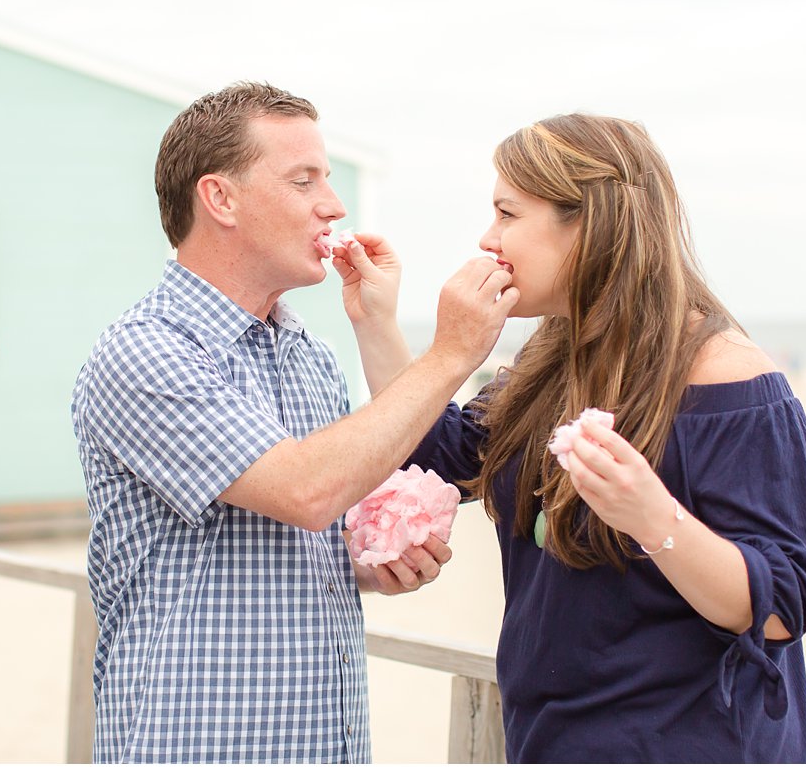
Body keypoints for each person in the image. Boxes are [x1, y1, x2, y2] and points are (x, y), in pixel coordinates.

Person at [344, 114, 806, 763]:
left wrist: (652, 517)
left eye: (508, 213)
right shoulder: (549, 365)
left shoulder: (731, 383)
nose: (488, 239)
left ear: (589, 225)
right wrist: (376, 322)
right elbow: (445, 458)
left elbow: (780, 610)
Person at [69, 81, 517, 763]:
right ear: (220, 198)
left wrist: (370, 560)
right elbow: (303, 490)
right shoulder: (145, 352)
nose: (333, 206)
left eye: (327, 181)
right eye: (303, 180)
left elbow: (313, 522)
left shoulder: (309, 355)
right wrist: (453, 353)